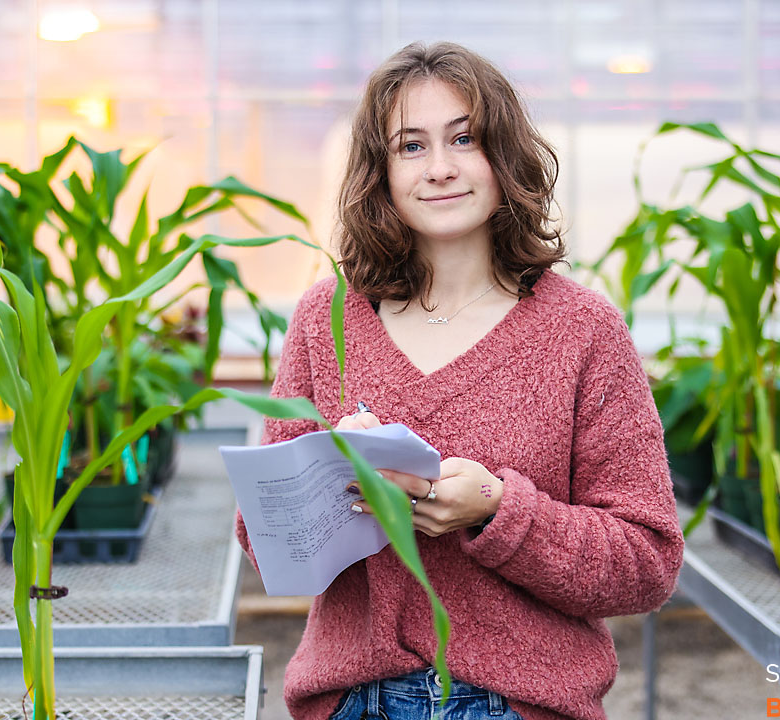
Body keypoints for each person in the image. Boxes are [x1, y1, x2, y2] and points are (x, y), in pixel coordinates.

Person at [235, 41, 684, 720]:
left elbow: (646, 563)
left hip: (518, 704)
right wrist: (331, 475)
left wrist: (500, 510)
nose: (440, 169)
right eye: (410, 146)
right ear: (379, 171)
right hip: (351, 702)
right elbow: (262, 540)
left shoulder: (584, 330)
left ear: (503, 155)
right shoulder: (325, 319)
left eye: (464, 138)